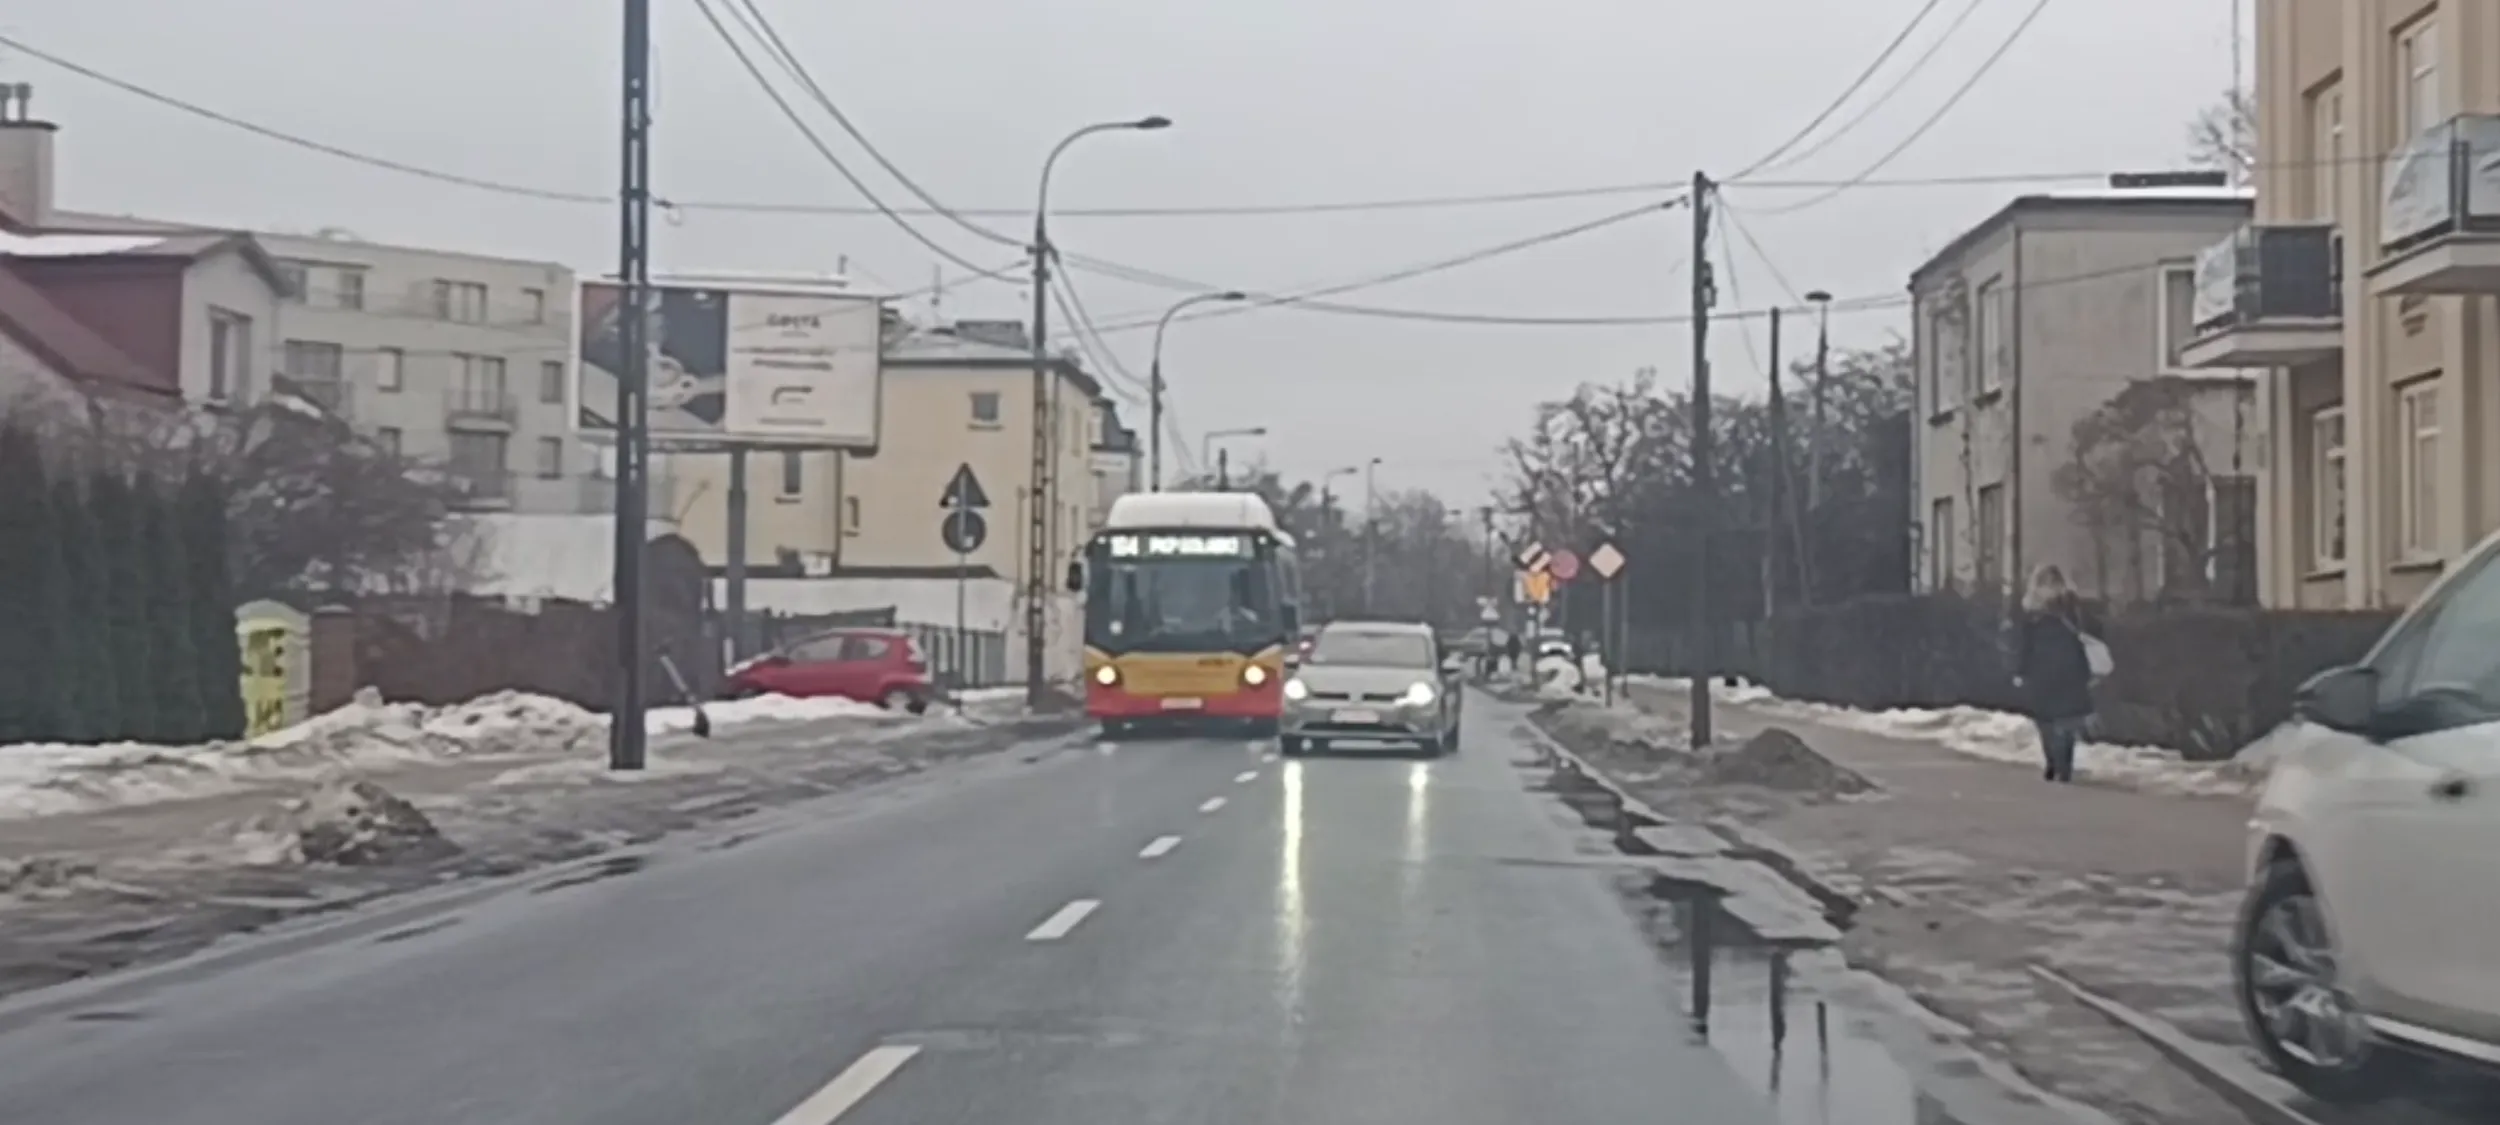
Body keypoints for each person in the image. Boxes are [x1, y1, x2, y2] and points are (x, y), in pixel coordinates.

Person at [2010, 564, 2097, 783]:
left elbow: (2024, 644)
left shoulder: (2033, 610)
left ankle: (2055, 762)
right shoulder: (2071, 607)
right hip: (2068, 667)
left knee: (2050, 720)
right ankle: (2061, 763)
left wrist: (2021, 670)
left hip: (2047, 669)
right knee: (2062, 720)